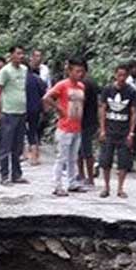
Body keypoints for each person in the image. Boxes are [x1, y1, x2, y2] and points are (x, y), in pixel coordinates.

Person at [44, 57, 87, 196]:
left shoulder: (81, 87)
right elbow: (47, 97)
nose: (80, 74)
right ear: (70, 71)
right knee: (61, 157)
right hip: (65, 126)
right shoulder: (63, 85)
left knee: (73, 157)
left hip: (77, 125)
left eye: (81, 71)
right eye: (77, 71)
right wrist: (59, 108)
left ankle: (72, 182)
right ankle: (57, 185)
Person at [98, 63, 136, 198]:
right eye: (119, 75)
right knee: (106, 161)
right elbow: (103, 109)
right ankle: (106, 187)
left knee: (123, 162)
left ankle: (120, 188)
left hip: (124, 132)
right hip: (109, 130)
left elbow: (133, 113)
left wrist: (131, 133)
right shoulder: (107, 90)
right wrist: (102, 129)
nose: (121, 78)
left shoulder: (132, 92)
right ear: (115, 74)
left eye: (124, 75)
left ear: (127, 76)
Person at [0, 45, 29, 185]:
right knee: (5, 146)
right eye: (18, 54)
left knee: (18, 146)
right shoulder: (5, 71)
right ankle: (4, 176)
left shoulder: (24, 70)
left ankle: (16, 174)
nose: (21, 56)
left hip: (21, 112)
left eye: (22, 54)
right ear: (11, 55)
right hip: (8, 113)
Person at [77, 61, 100, 189]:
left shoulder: (85, 84)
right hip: (85, 121)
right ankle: (81, 175)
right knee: (80, 150)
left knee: (86, 150)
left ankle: (90, 178)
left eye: (80, 71)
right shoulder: (88, 82)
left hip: (86, 122)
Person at [25, 64, 47, 166]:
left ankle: (26, 154)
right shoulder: (37, 79)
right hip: (36, 108)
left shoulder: (20, 80)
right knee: (33, 131)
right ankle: (35, 155)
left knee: (23, 131)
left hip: (23, 108)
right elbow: (44, 92)